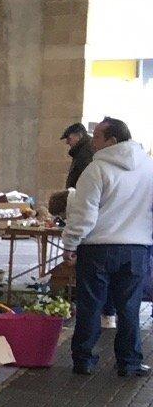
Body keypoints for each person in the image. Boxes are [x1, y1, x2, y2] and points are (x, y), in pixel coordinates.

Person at [61, 116, 153, 377]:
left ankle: (84, 360)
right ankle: (129, 362)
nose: (93, 141)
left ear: (112, 140)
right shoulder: (149, 167)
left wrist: (70, 243)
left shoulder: (96, 169)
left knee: (90, 306)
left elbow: (84, 214)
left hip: (97, 248)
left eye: (98, 136)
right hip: (136, 249)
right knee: (129, 308)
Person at [63, 122, 95, 190]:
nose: (67, 142)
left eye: (69, 139)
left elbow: (84, 177)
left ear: (79, 135)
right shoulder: (81, 150)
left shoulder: (86, 151)